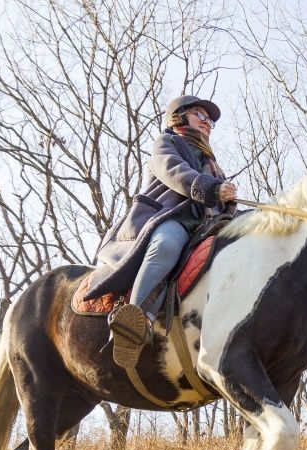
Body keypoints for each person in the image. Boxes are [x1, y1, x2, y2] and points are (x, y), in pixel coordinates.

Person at [92, 95, 237, 368]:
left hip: (205, 227)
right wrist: (212, 189)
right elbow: (173, 171)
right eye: (200, 115)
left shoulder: (212, 164)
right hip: (171, 217)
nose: (207, 123)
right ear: (179, 117)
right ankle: (135, 319)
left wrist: (230, 206)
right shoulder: (167, 143)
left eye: (210, 121)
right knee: (167, 245)